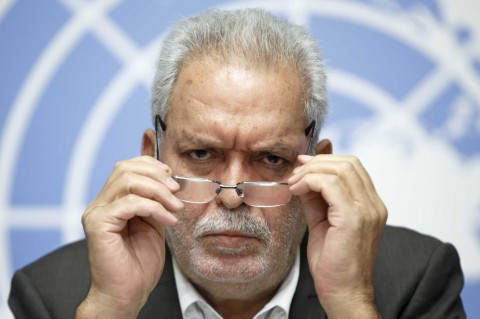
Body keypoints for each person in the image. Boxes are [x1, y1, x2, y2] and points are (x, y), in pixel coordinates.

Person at [9, 8, 465, 319]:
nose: (231, 194)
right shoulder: (54, 295)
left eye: (270, 159)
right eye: (201, 154)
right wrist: (110, 308)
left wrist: (349, 302)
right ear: (151, 156)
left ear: (317, 169)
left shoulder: (415, 280)